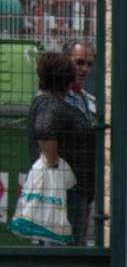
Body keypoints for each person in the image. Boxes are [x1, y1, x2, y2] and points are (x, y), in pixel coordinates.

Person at [26, 51, 95, 247]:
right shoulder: (51, 105)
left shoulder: (52, 103)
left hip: (72, 192)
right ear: (66, 79)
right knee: (65, 249)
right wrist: (55, 168)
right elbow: (45, 131)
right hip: (65, 195)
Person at [61, 39, 96, 123]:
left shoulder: (86, 98)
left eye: (89, 64)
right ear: (65, 60)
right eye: (79, 62)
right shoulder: (56, 96)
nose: (85, 69)